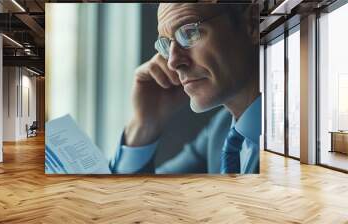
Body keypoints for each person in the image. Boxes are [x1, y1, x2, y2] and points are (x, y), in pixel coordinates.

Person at [109, 3, 261, 174]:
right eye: (166, 45)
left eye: (189, 32)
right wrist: (144, 125)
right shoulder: (221, 130)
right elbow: (143, 194)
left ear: (252, 23)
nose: (172, 62)